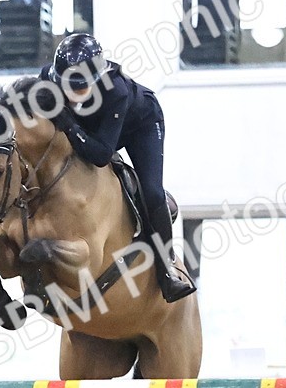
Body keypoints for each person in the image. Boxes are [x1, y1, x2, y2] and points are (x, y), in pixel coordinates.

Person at [41, 33, 195, 303]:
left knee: (151, 192)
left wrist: (68, 124)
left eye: (81, 89)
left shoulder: (116, 91)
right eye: (68, 88)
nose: (73, 96)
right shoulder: (47, 79)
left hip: (140, 125)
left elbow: (101, 154)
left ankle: (167, 267)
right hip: (92, 129)